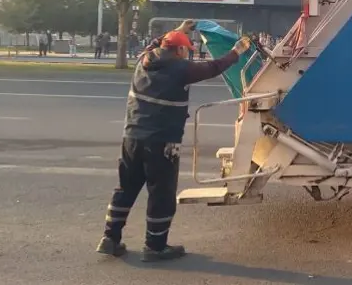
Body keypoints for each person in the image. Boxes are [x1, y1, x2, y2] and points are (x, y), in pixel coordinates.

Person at [95, 19, 251, 262]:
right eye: (186, 49)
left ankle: (110, 238)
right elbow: (214, 67)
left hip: (132, 138)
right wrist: (236, 52)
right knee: (161, 193)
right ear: (179, 50)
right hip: (162, 142)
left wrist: (177, 31)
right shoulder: (181, 69)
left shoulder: (144, 60)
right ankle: (155, 246)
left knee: (125, 188)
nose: (186, 54)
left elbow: (157, 44)